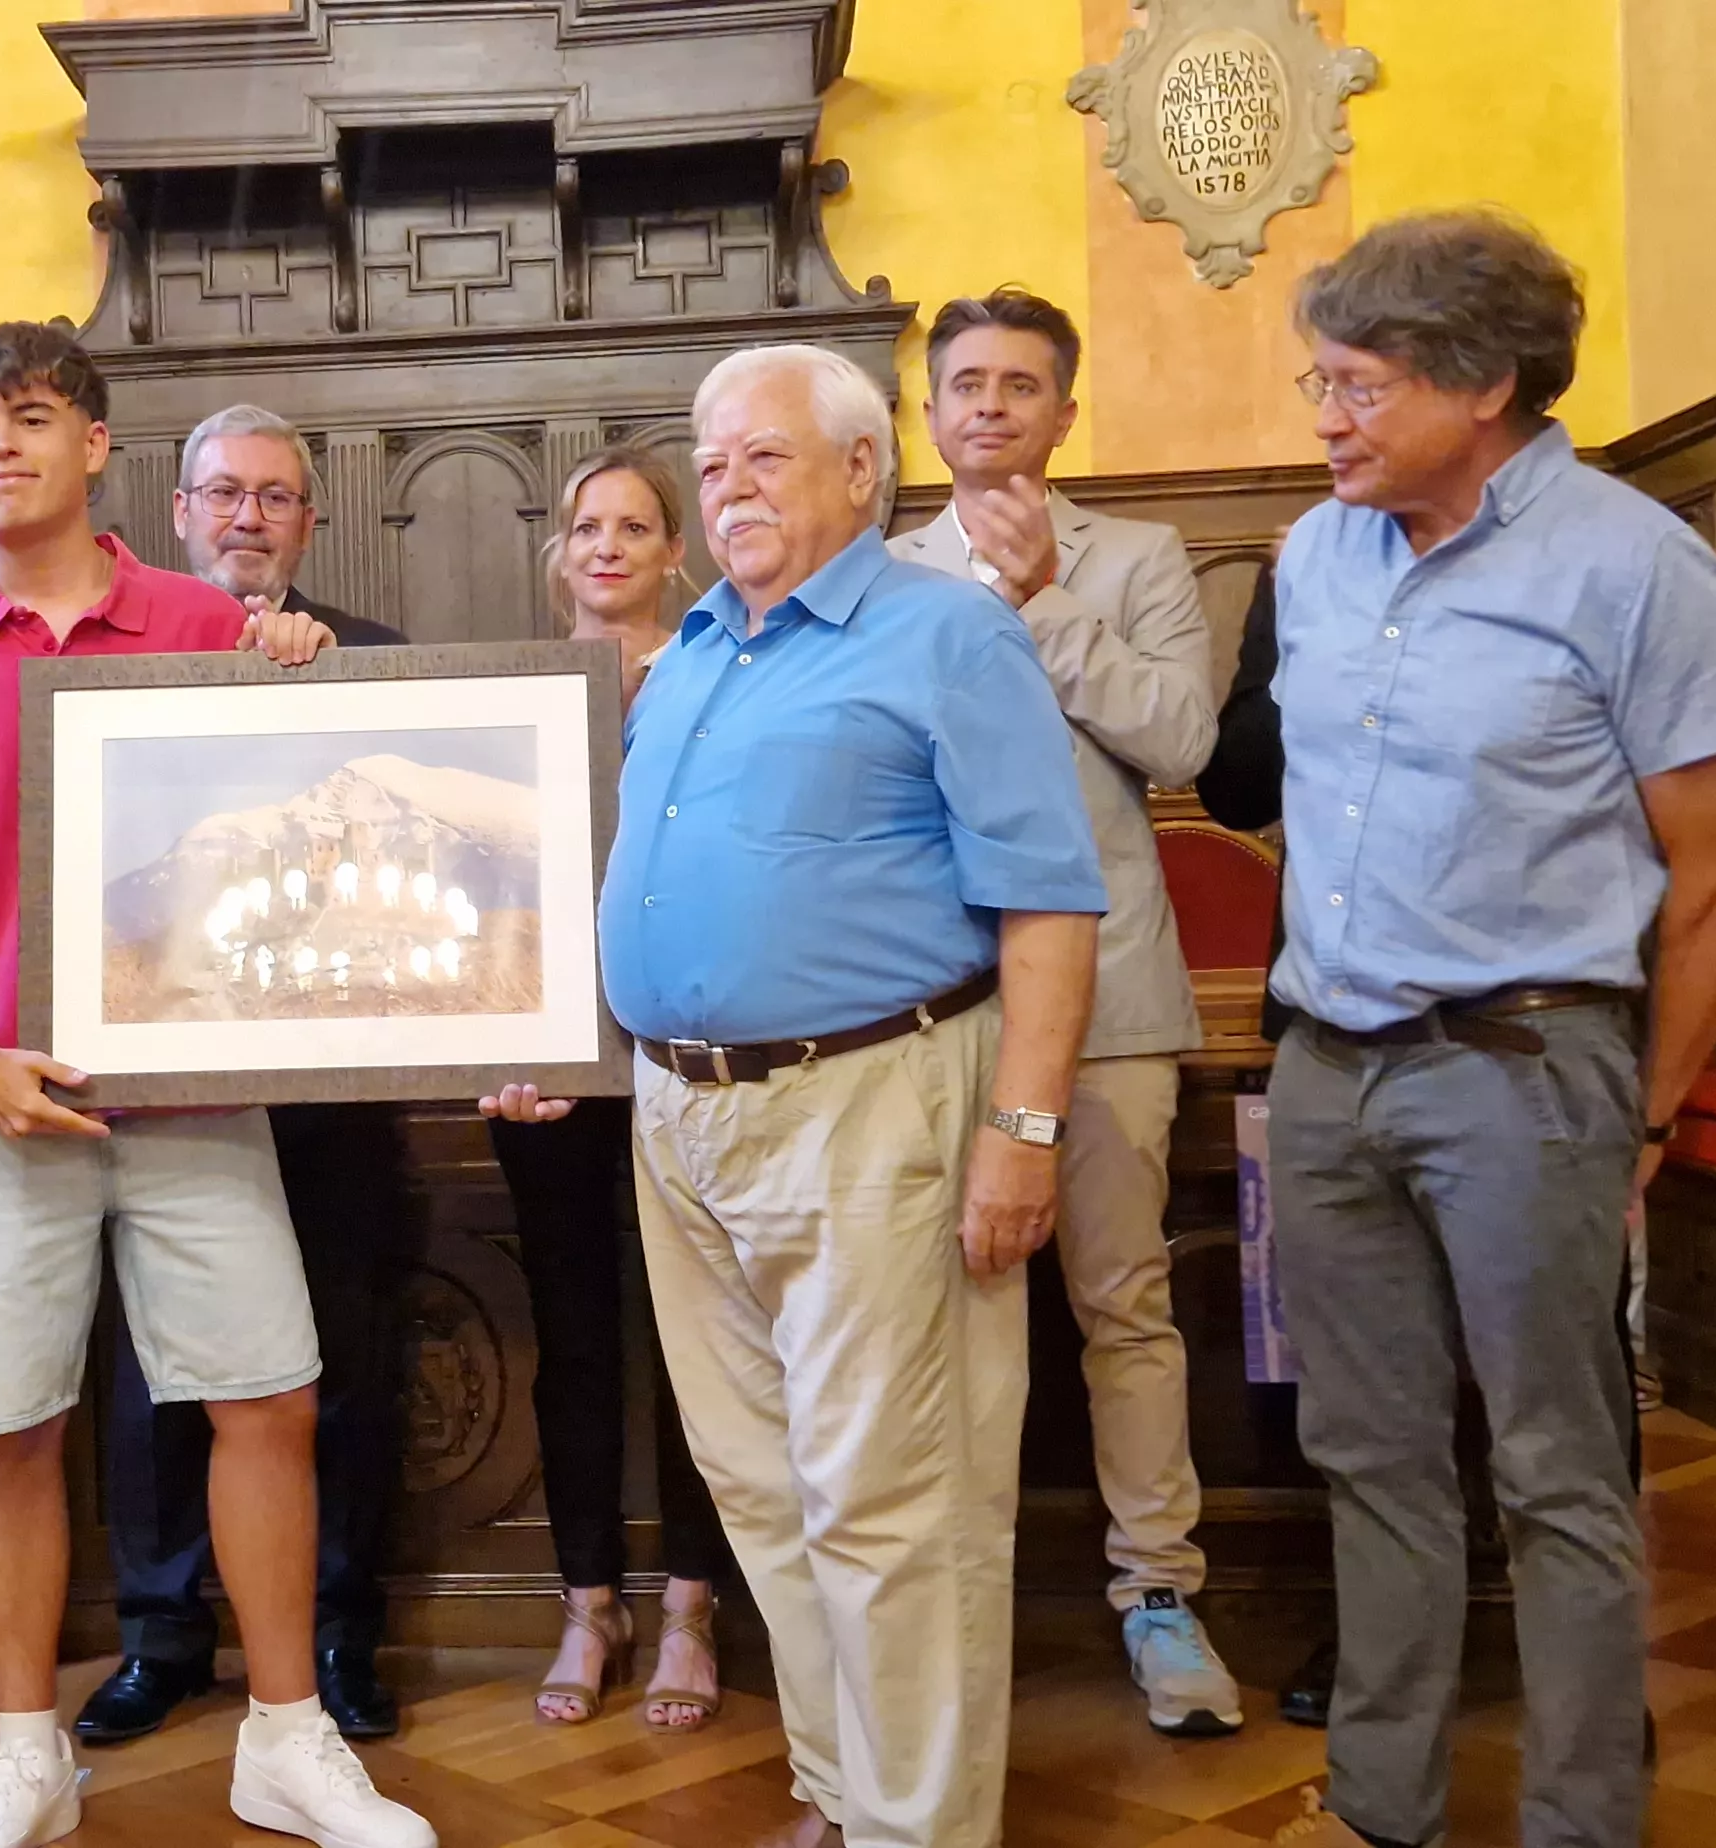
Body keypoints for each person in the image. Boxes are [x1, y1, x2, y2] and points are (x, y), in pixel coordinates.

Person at [501, 343, 1109, 1848]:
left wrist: (1023, 1133)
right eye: (711, 465)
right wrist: (555, 1047)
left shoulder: (950, 635)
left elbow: (1048, 905)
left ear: (859, 468)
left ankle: (916, 1831)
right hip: (678, 1120)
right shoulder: (695, 652)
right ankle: (843, 1796)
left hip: (872, 1105)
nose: (729, 489)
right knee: (763, 1491)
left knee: (892, 1503)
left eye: (763, 457)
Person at [0, 321, 430, 1848]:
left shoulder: (203, 619)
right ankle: (28, 1758)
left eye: (29, 417)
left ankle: (287, 1739)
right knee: (7, 1425)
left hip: (192, 1092)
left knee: (271, 1397)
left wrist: (299, 670)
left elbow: (318, 818)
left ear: (96, 445)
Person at [1258, 211, 1716, 1848]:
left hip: (1525, 1072)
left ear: (1485, 385)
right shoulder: (1312, 556)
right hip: (1323, 1069)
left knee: (1557, 1470)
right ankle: (1379, 1809)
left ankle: (1581, 1820)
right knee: (1368, 1457)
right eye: (1321, 381)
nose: (1326, 418)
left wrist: (1647, 1118)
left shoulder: (1638, 569)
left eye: (1359, 385)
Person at [884, 287, 1242, 1736]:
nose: (988, 405)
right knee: (927, 1323)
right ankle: (938, 1610)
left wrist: (1043, 602)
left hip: (1110, 1004)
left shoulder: (1136, 560)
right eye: (964, 384)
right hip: (924, 1003)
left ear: (1063, 413)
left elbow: (1184, 741)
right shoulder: (882, 574)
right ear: (929, 415)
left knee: (1124, 1305)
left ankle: (1158, 1592)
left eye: (1018, 385)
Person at [81, 403, 419, 1747]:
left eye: (275, 497)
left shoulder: (379, 666)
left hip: (336, 1094)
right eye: (224, 493)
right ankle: (161, 1636)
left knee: (342, 1364)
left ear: (310, 523)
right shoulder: (113, 673)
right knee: (158, 1370)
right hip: (163, 1086)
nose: (248, 518)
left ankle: (338, 1632)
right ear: (178, 513)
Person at [480, 444, 734, 1734]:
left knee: (699, 1343)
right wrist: (492, 1044)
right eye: (588, 526)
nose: (608, 545)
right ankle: (589, 1601)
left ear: (673, 552)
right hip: (549, 1077)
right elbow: (486, 894)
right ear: (560, 550)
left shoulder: (716, 679)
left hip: (690, 1062)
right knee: (574, 1341)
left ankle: (690, 1605)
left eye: (635, 526)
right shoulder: (513, 697)